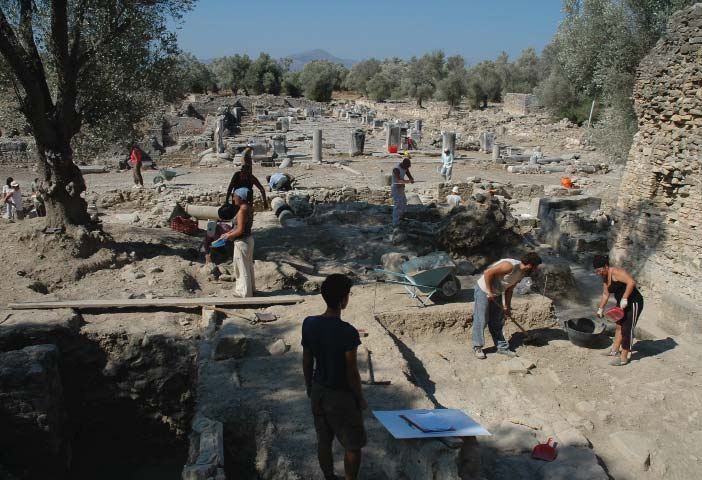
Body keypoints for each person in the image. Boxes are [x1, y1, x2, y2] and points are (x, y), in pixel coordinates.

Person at [302, 274, 367, 480]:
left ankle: (329, 476)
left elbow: (306, 361)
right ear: (343, 300)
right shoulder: (347, 332)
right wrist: (360, 398)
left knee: (324, 440)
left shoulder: (309, 324)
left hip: (319, 390)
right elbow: (351, 372)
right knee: (353, 445)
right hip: (340, 396)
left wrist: (309, 386)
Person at [472, 252, 543, 359]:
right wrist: (489, 291)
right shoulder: (509, 265)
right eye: (536, 267)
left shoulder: (522, 273)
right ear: (530, 265)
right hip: (483, 290)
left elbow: (509, 290)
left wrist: (507, 306)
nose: (536, 269)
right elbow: (488, 273)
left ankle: (501, 347)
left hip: (497, 292)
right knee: (481, 319)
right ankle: (477, 347)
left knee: (497, 321)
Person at [593, 255, 644, 367]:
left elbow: (631, 282)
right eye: (596, 271)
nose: (598, 273)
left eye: (599, 270)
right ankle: (614, 351)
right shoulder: (605, 277)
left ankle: (624, 358)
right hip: (621, 304)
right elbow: (605, 294)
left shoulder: (616, 272)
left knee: (627, 329)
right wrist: (601, 308)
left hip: (633, 302)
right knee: (619, 326)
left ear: (606, 266)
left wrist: (625, 297)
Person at [217, 188, 255, 297]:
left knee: (241, 268)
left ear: (241, 197)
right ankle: (251, 289)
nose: (233, 198)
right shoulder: (248, 207)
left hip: (242, 242)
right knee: (248, 267)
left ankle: (244, 292)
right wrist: (227, 233)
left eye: (235, 196)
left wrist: (228, 236)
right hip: (248, 240)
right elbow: (239, 227)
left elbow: (240, 230)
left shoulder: (242, 210)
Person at [392, 153, 414, 226]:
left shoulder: (405, 168)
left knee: (403, 202)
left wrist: (411, 178)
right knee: (398, 204)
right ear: (403, 165)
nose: (406, 169)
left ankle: (401, 217)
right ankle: (395, 222)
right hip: (396, 187)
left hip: (401, 187)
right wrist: (408, 181)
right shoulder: (396, 169)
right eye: (406, 167)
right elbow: (398, 180)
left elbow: (408, 174)